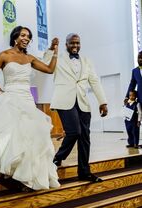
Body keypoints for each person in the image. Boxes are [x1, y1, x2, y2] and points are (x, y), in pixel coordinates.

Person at [0, 26, 60, 190]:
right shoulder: (4, 55)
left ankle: (26, 174)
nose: (26, 38)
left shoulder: (30, 58)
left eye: (28, 36)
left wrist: (55, 51)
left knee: (29, 137)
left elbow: (49, 70)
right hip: (10, 97)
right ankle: (7, 171)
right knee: (9, 135)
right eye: (23, 35)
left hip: (27, 99)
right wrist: (1, 91)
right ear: (15, 37)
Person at [44, 33, 108, 182]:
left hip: (83, 102)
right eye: (72, 43)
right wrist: (51, 49)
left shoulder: (87, 61)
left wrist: (102, 102)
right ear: (66, 44)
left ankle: (84, 172)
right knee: (74, 132)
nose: (75, 46)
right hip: (64, 101)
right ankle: (58, 157)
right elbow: (46, 64)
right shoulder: (58, 57)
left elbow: (95, 81)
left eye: (77, 43)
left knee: (85, 137)